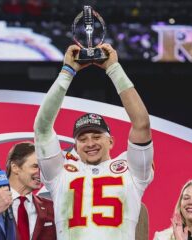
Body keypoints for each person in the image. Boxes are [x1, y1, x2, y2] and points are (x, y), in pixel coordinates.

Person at [33, 43, 154, 239]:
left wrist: (114, 69)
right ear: (75, 145)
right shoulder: (59, 174)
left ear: (111, 141)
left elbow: (141, 123)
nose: (90, 143)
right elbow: (42, 128)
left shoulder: (132, 171)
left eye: (97, 137)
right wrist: (66, 72)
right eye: (83, 139)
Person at [6, 141, 56, 240]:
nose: (40, 173)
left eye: (42, 168)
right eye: (35, 166)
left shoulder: (52, 208)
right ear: (15, 167)